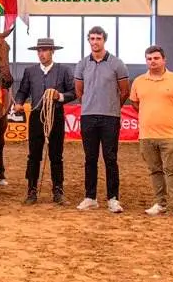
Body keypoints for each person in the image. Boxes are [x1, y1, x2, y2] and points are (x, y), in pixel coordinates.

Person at [130, 45, 173, 220]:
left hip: (171, 135)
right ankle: (160, 203)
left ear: (164, 60)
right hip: (147, 136)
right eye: (149, 59)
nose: (153, 62)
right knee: (155, 170)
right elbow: (136, 104)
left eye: (156, 58)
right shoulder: (138, 82)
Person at [13, 38, 76, 206]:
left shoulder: (63, 70)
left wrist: (59, 96)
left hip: (55, 115)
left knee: (56, 155)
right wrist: (19, 102)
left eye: (45, 50)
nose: (41, 54)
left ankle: (58, 190)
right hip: (36, 115)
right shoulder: (30, 71)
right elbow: (22, 91)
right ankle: (31, 189)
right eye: (39, 51)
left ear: (52, 52)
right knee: (33, 155)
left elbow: (73, 92)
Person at [74, 26, 130, 213]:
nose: (95, 41)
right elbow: (79, 91)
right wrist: (90, 105)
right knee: (90, 158)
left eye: (98, 38)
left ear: (104, 40)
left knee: (110, 158)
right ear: (88, 41)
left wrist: (112, 106)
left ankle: (113, 198)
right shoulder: (82, 64)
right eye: (92, 38)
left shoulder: (117, 63)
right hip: (88, 117)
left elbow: (124, 91)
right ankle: (90, 197)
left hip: (110, 118)